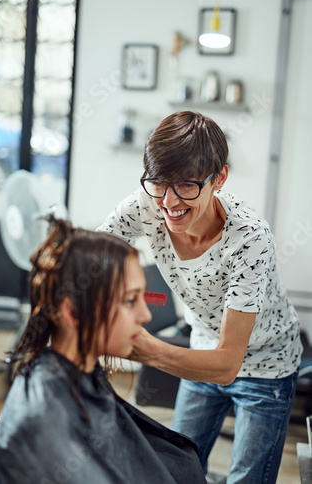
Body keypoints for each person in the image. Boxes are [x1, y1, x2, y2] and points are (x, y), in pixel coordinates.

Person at [98, 111, 303, 484]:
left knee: (247, 479)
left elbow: (226, 364)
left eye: (187, 185)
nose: (170, 202)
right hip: (201, 347)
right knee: (179, 468)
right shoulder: (146, 205)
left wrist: (140, 348)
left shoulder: (250, 239)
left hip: (265, 365)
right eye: (159, 183)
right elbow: (91, 256)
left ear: (219, 177)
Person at [0, 220, 205, 484]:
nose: (145, 314)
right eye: (129, 300)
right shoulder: (45, 414)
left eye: (142, 298)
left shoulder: (82, 375)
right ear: (72, 312)